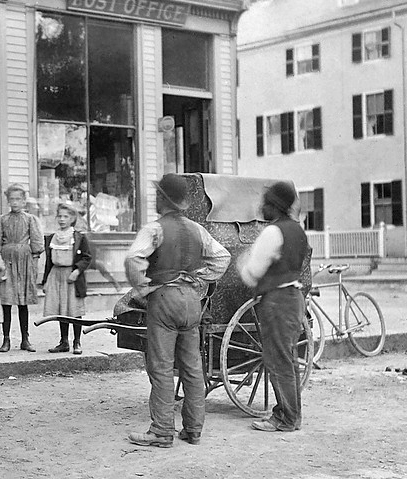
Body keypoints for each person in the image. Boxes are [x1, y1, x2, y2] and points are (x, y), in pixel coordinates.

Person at [124, 174, 231, 449]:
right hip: (192, 301)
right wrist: (198, 278)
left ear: (163, 199)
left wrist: (143, 287)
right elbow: (223, 258)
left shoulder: (154, 229)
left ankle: (161, 431)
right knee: (193, 368)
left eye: (157, 196)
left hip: (164, 299)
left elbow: (133, 258)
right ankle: (193, 430)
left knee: (160, 367)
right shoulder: (197, 230)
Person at [238, 181, 310, 433]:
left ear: (275, 205)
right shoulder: (298, 231)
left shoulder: (272, 233)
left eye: (266, 202)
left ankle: (287, 418)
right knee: (287, 360)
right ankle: (289, 414)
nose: (262, 207)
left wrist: (242, 264)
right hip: (294, 298)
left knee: (278, 362)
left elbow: (252, 273)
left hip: (277, 301)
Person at [0, 183, 44, 352]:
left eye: (18, 199)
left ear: (24, 201)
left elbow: (37, 244)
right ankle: (6, 339)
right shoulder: (2, 219)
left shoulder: (30, 219)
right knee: (6, 302)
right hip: (7, 261)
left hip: (24, 261)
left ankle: (25, 339)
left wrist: (34, 266)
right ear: (7, 201)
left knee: (23, 303)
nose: (14, 202)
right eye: (11, 199)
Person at [41, 202, 92, 354]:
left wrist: (77, 271)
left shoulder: (78, 237)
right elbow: (49, 262)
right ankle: (64, 341)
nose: (62, 219)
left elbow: (87, 257)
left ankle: (77, 342)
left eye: (66, 216)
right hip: (56, 275)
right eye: (60, 216)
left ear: (72, 219)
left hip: (72, 276)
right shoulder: (52, 238)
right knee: (61, 310)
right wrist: (45, 281)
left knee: (74, 309)